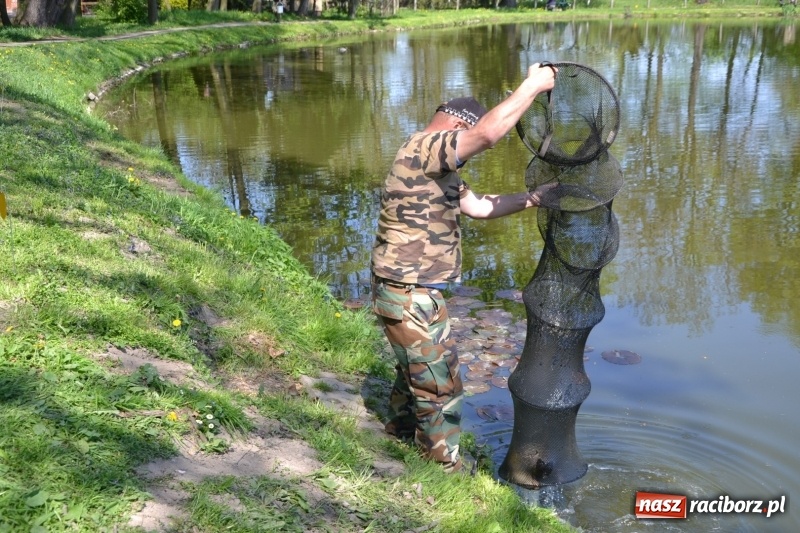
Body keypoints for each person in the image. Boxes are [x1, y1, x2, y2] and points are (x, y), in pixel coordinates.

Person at [370, 64, 558, 473]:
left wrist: (534, 199)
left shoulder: (436, 165)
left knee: (417, 376)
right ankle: (441, 471)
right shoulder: (428, 146)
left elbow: (477, 207)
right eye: (463, 139)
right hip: (406, 291)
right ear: (456, 124)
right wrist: (533, 85)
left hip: (418, 291)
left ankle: (397, 439)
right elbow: (489, 134)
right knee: (440, 386)